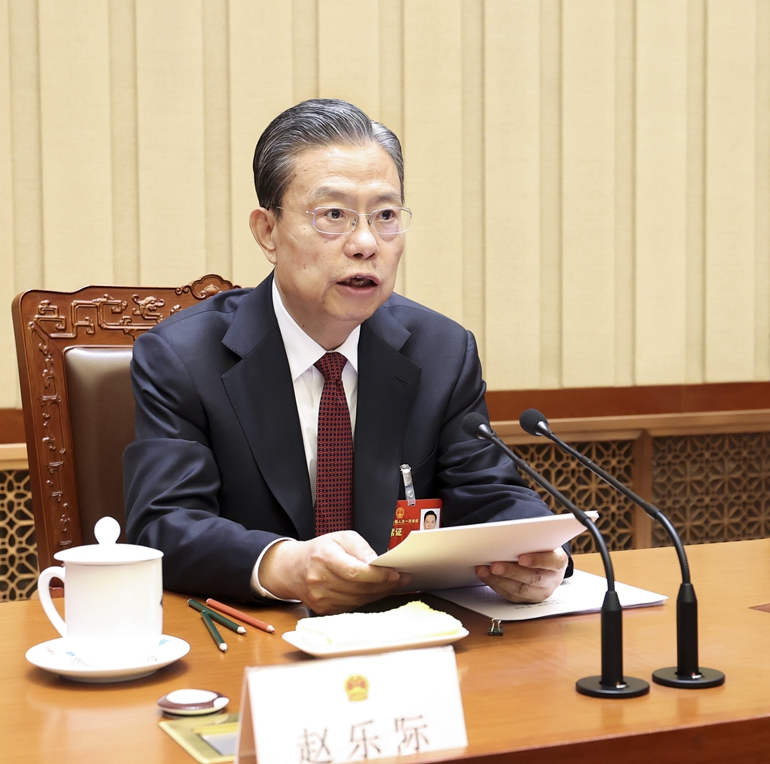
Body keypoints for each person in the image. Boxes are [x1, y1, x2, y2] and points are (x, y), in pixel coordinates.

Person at [123, 99, 568, 615]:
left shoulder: (442, 351)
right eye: (333, 215)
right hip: (255, 637)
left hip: (407, 635)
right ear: (268, 232)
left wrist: (536, 553)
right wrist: (283, 565)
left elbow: (490, 494)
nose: (365, 243)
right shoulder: (183, 357)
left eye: (385, 216)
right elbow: (164, 523)